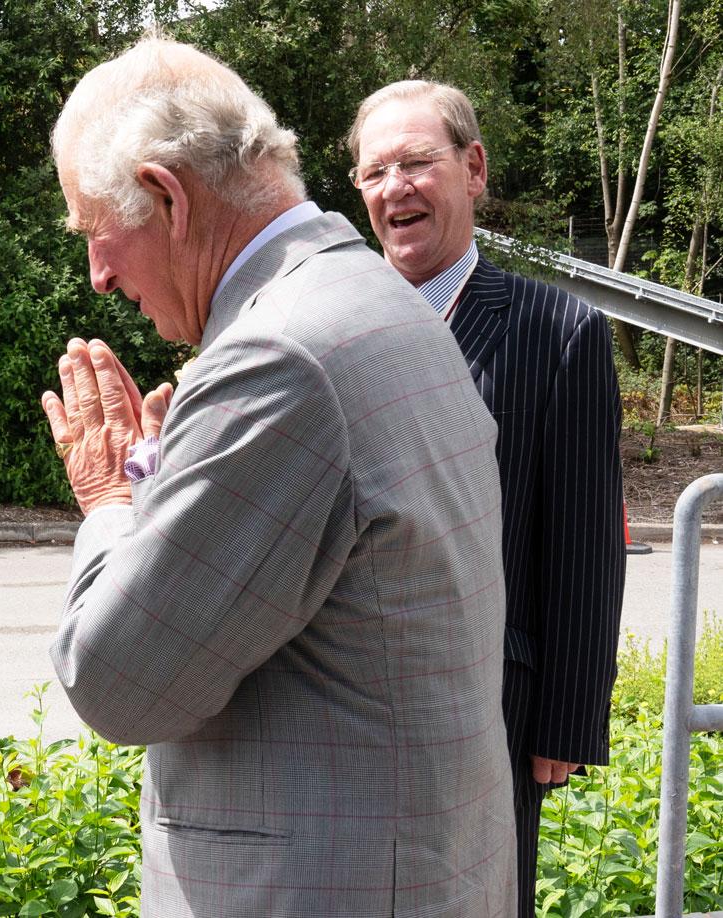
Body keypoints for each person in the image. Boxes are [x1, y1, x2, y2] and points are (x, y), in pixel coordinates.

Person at [41, 36, 516, 916]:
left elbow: (117, 679)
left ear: (164, 196)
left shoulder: (280, 356)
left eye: (91, 232)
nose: (99, 275)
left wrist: (110, 501)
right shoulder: (374, 300)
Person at [348, 80, 626, 918]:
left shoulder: (558, 331)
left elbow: (581, 540)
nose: (394, 187)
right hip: (344, 705)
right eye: (373, 172)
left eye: (416, 163)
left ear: (472, 169)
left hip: (489, 711)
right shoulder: (335, 323)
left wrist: (565, 724)